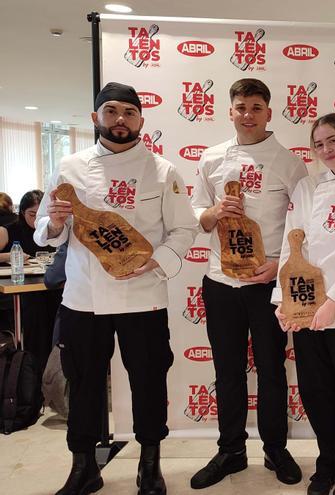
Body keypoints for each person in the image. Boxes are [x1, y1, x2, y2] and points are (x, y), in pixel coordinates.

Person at [34, 82, 199, 495]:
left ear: (141, 120)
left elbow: (183, 229)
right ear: (96, 118)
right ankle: (84, 466)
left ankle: (150, 464)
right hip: (84, 297)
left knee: (148, 380)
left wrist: (155, 261)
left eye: (128, 111)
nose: (120, 119)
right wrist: (54, 224)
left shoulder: (164, 171)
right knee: (84, 381)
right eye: (111, 111)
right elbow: (45, 233)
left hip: (143, 295)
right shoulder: (69, 166)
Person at [190, 78, 308, 490]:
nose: (248, 114)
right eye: (240, 106)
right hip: (220, 281)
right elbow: (196, 217)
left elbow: (303, 223)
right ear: (230, 111)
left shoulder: (289, 162)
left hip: (267, 284)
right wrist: (215, 212)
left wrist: (278, 264)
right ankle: (230, 450)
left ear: (269, 112)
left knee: (273, 369)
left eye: (256, 107)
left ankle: (276, 447)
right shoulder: (211, 158)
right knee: (227, 369)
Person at [273, 113, 335, 495]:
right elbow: (290, 244)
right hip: (303, 309)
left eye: (333, 140)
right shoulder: (306, 187)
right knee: (315, 392)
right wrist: (283, 302)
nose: (326, 150)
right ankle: (326, 462)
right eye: (318, 144)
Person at [0, 190, 63, 399]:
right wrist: (9, 255)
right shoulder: (9, 231)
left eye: (39, 214)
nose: (36, 219)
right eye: (31, 214)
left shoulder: (54, 230)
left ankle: (53, 376)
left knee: (58, 313)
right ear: (21, 212)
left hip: (49, 286)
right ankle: (31, 379)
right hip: (21, 289)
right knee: (35, 315)